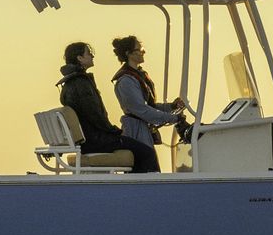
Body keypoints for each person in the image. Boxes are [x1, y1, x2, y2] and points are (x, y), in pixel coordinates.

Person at [57, 41, 157, 173]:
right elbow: (95, 115)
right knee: (146, 153)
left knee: (136, 148)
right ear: (79, 58)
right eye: (89, 53)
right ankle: (144, 190)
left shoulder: (69, 84)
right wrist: (114, 131)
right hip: (95, 140)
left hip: (89, 139)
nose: (92, 56)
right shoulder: (80, 83)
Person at [109, 36, 185, 174]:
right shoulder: (126, 80)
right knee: (144, 170)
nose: (143, 52)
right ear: (129, 53)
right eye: (140, 49)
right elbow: (141, 110)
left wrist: (171, 107)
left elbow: (150, 106)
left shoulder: (139, 75)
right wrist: (173, 118)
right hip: (136, 132)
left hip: (144, 130)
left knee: (150, 170)